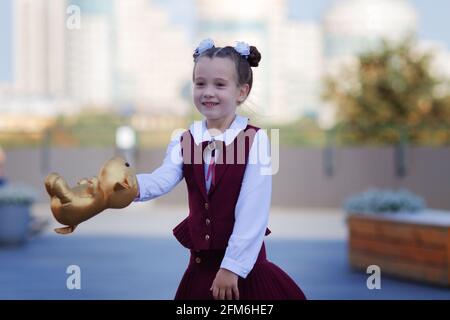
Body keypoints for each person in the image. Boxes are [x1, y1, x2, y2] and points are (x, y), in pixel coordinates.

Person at [134, 39, 306, 300]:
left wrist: (232, 267)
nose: (207, 92)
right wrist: (122, 186)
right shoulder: (185, 138)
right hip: (200, 271)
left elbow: (253, 210)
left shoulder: (254, 140)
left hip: (243, 274)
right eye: (200, 83)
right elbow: (162, 179)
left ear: (242, 92)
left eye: (220, 84)